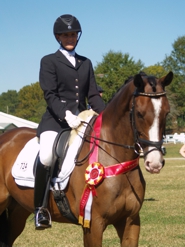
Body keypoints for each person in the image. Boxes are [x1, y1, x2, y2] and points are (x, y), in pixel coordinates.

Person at [34, 14, 105, 230]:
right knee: (46, 155)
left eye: (73, 34)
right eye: (66, 34)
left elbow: (92, 96)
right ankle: (40, 209)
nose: (70, 37)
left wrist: (106, 116)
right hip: (56, 121)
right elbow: (50, 94)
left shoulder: (86, 63)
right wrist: (66, 115)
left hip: (83, 120)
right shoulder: (49, 61)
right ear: (58, 37)